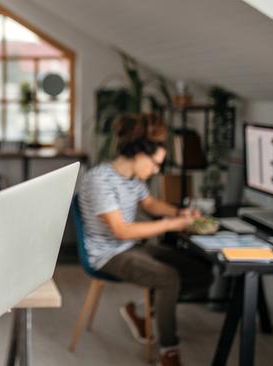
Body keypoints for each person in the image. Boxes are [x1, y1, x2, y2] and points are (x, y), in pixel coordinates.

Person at [79, 114, 212, 366]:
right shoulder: (100, 179)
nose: (157, 169)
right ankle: (168, 351)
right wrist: (172, 224)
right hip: (107, 255)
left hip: (132, 248)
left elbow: (150, 203)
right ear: (139, 155)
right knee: (167, 278)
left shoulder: (134, 179)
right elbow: (122, 231)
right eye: (155, 163)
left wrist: (179, 213)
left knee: (202, 272)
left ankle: (140, 310)